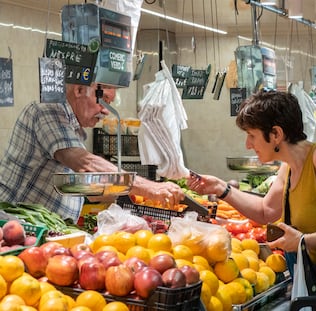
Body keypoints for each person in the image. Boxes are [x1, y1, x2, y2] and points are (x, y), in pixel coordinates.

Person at [187, 89, 316, 310]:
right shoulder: (288, 167)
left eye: (252, 135)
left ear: (276, 134)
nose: (248, 144)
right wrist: (221, 188)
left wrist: (304, 241)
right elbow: (266, 211)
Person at [0, 82, 184, 223]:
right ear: (79, 90)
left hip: (51, 230)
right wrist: (150, 188)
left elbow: (70, 185)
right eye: (102, 101)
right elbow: (85, 164)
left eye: (109, 103)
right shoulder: (47, 111)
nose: (105, 111)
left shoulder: (74, 127)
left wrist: (127, 199)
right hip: (18, 229)